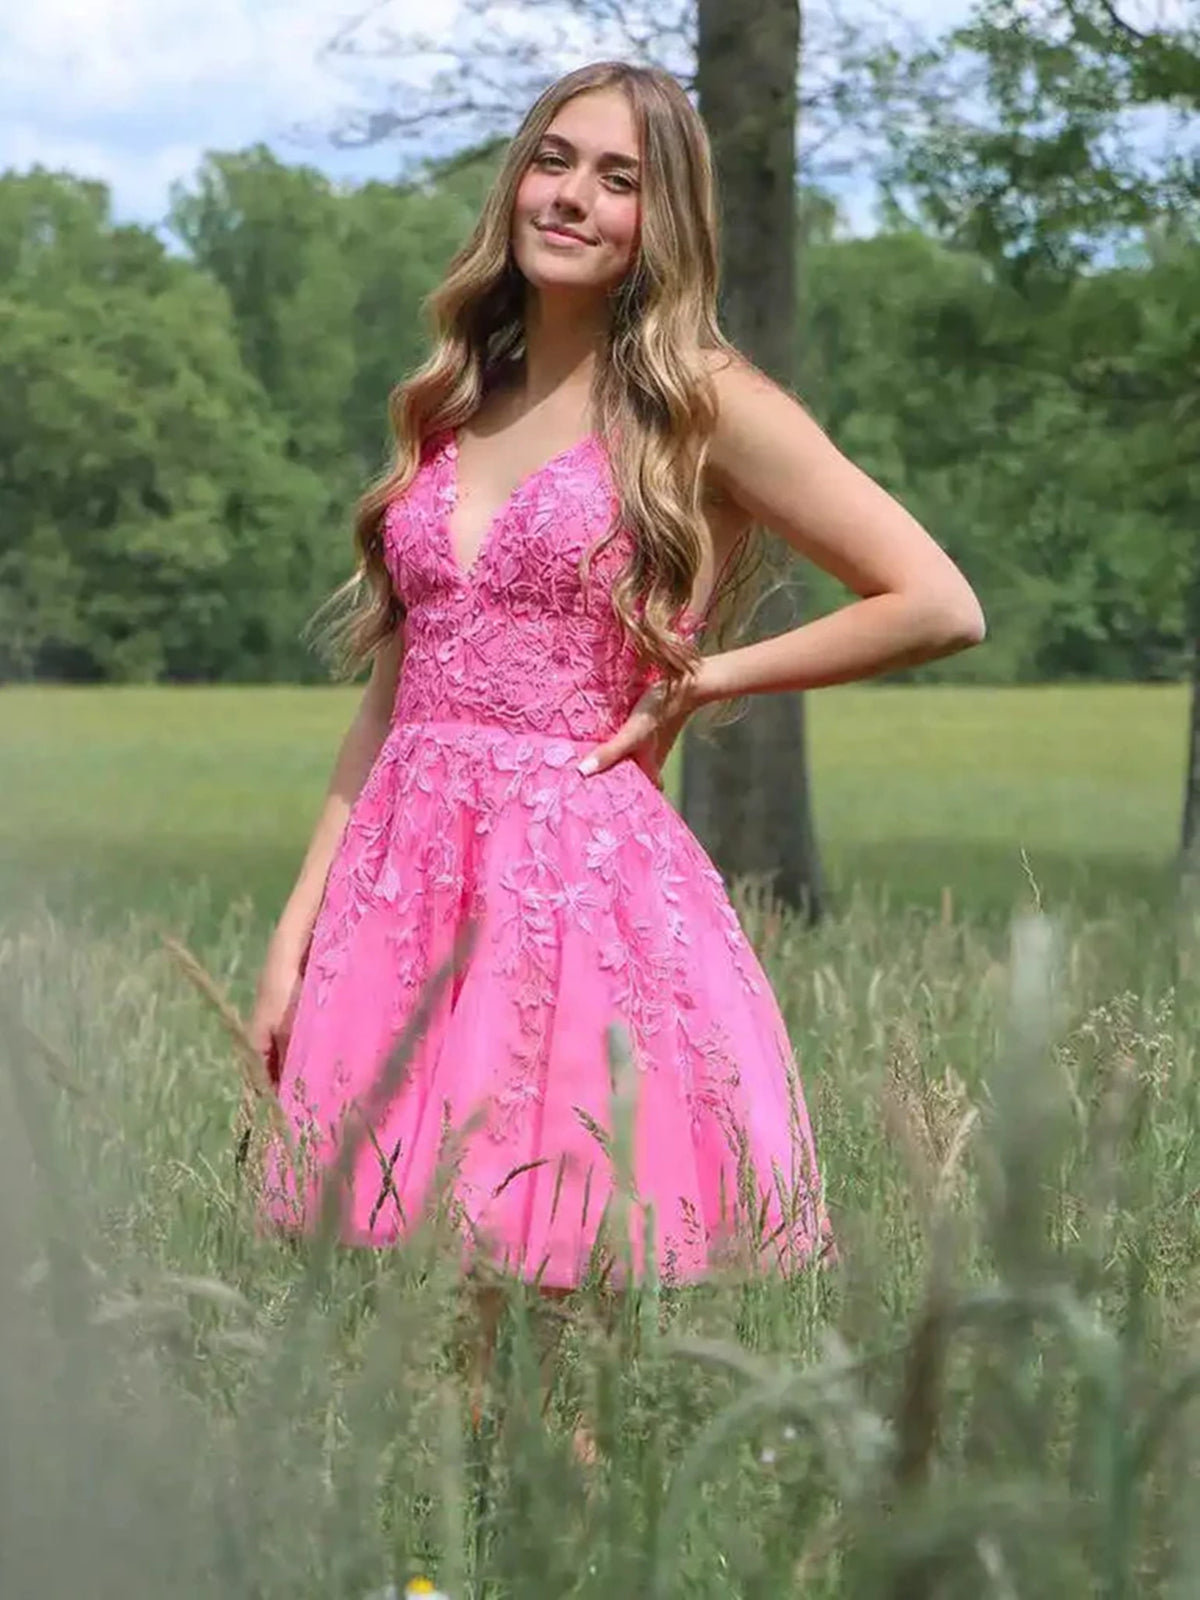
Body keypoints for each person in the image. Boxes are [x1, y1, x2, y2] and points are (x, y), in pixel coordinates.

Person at [250, 60, 984, 1297]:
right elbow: (390, 698)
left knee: (559, 1286)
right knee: (427, 1302)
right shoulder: (452, 401)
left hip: (569, 892)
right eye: (554, 161)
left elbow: (936, 602)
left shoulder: (697, 401)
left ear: (666, 219)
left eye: (619, 178)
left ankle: (578, 1494)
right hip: (402, 883)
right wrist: (293, 931)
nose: (573, 196)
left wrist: (704, 681)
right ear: (516, 184)